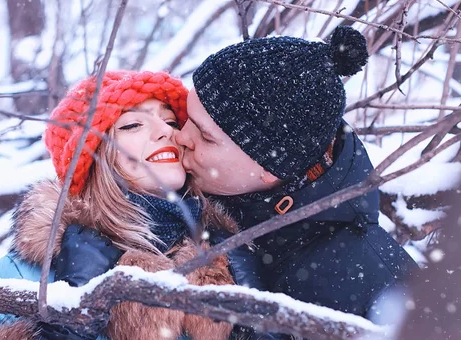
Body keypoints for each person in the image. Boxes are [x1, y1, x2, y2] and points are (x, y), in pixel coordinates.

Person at [0, 71, 258, 340]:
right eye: (132, 124)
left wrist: (257, 330)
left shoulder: (234, 250)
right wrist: (65, 326)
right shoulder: (24, 276)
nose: (165, 132)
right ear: (94, 159)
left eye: (171, 121)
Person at [174, 26, 419, 329]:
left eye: (206, 137)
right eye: (185, 118)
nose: (180, 136)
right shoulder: (228, 197)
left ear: (268, 168)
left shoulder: (361, 288)